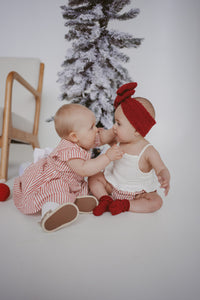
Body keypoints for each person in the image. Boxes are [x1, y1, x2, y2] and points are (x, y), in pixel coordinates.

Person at [13, 104, 123, 232]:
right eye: (92, 127)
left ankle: (74, 201)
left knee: (78, 188)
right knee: (56, 192)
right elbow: (84, 169)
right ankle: (49, 214)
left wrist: (112, 132)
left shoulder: (82, 139)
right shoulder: (69, 149)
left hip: (70, 182)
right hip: (55, 179)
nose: (96, 130)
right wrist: (107, 157)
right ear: (74, 136)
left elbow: (101, 138)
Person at [89, 82, 170, 216]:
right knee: (94, 176)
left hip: (138, 193)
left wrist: (164, 177)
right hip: (113, 186)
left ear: (137, 130)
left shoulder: (148, 150)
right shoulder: (118, 140)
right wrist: (108, 132)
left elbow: (161, 168)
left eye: (119, 123)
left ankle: (126, 205)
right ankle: (105, 199)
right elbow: (99, 139)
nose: (114, 126)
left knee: (156, 201)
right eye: (115, 121)